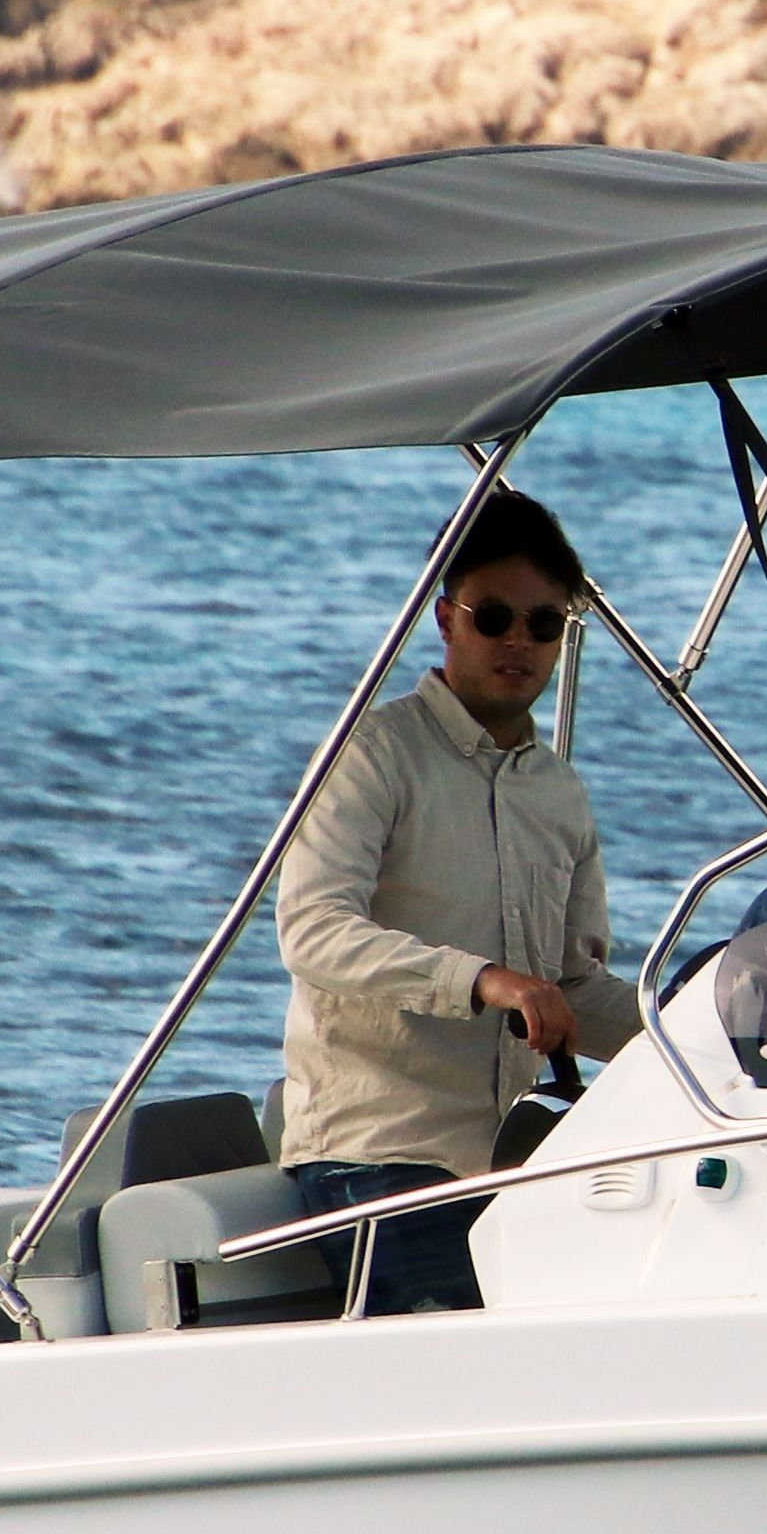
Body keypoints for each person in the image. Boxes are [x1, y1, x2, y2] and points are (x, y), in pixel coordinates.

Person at [272, 491, 642, 1313]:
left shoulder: (559, 792)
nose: (519, 641)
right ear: (446, 618)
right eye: (495, 617)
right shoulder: (372, 754)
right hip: (376, 1156)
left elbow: (570, 991)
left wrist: (706, 1034)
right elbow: (314, 932)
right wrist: (484, 981)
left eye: (544, 624)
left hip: (517, 1165)